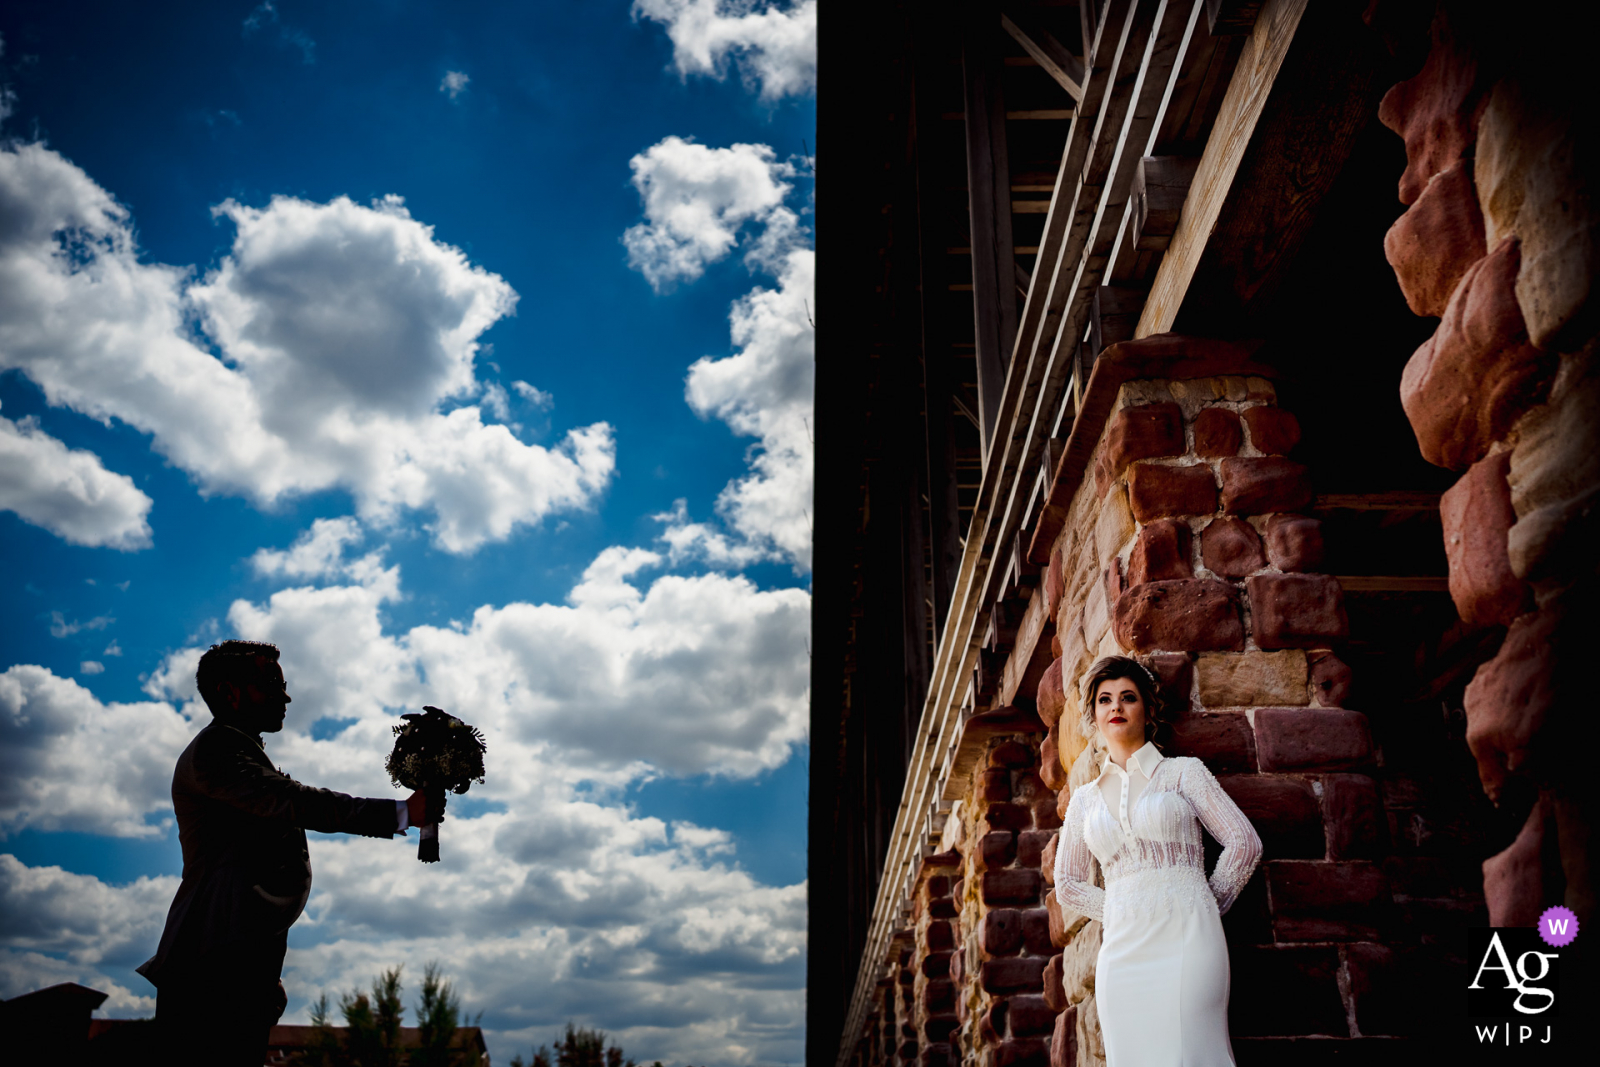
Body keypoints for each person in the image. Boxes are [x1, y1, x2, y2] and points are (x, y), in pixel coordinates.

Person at [137, 640, 427, 1067]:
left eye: (283, 683)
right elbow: (294, 801)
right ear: (229, 692)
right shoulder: (217, 751)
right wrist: (401, 812)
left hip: (234, 962)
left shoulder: (237, 750)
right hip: (210, 964)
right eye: (269, 683)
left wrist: (261, 972)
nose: (285, 695)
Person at [1052, 655, 1262, 1066]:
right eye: (1105, 699)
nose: (1116, 707)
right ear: (1094, 714)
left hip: (1190, 939)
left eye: (1128, 697)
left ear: (1147, 710)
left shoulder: (1184, 773)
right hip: (1122, 952)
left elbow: (1244, 842)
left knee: (1193, 1052)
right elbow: (1068, 882)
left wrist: (1203, 902)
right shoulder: (1084, 800)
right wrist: (1117, 909)